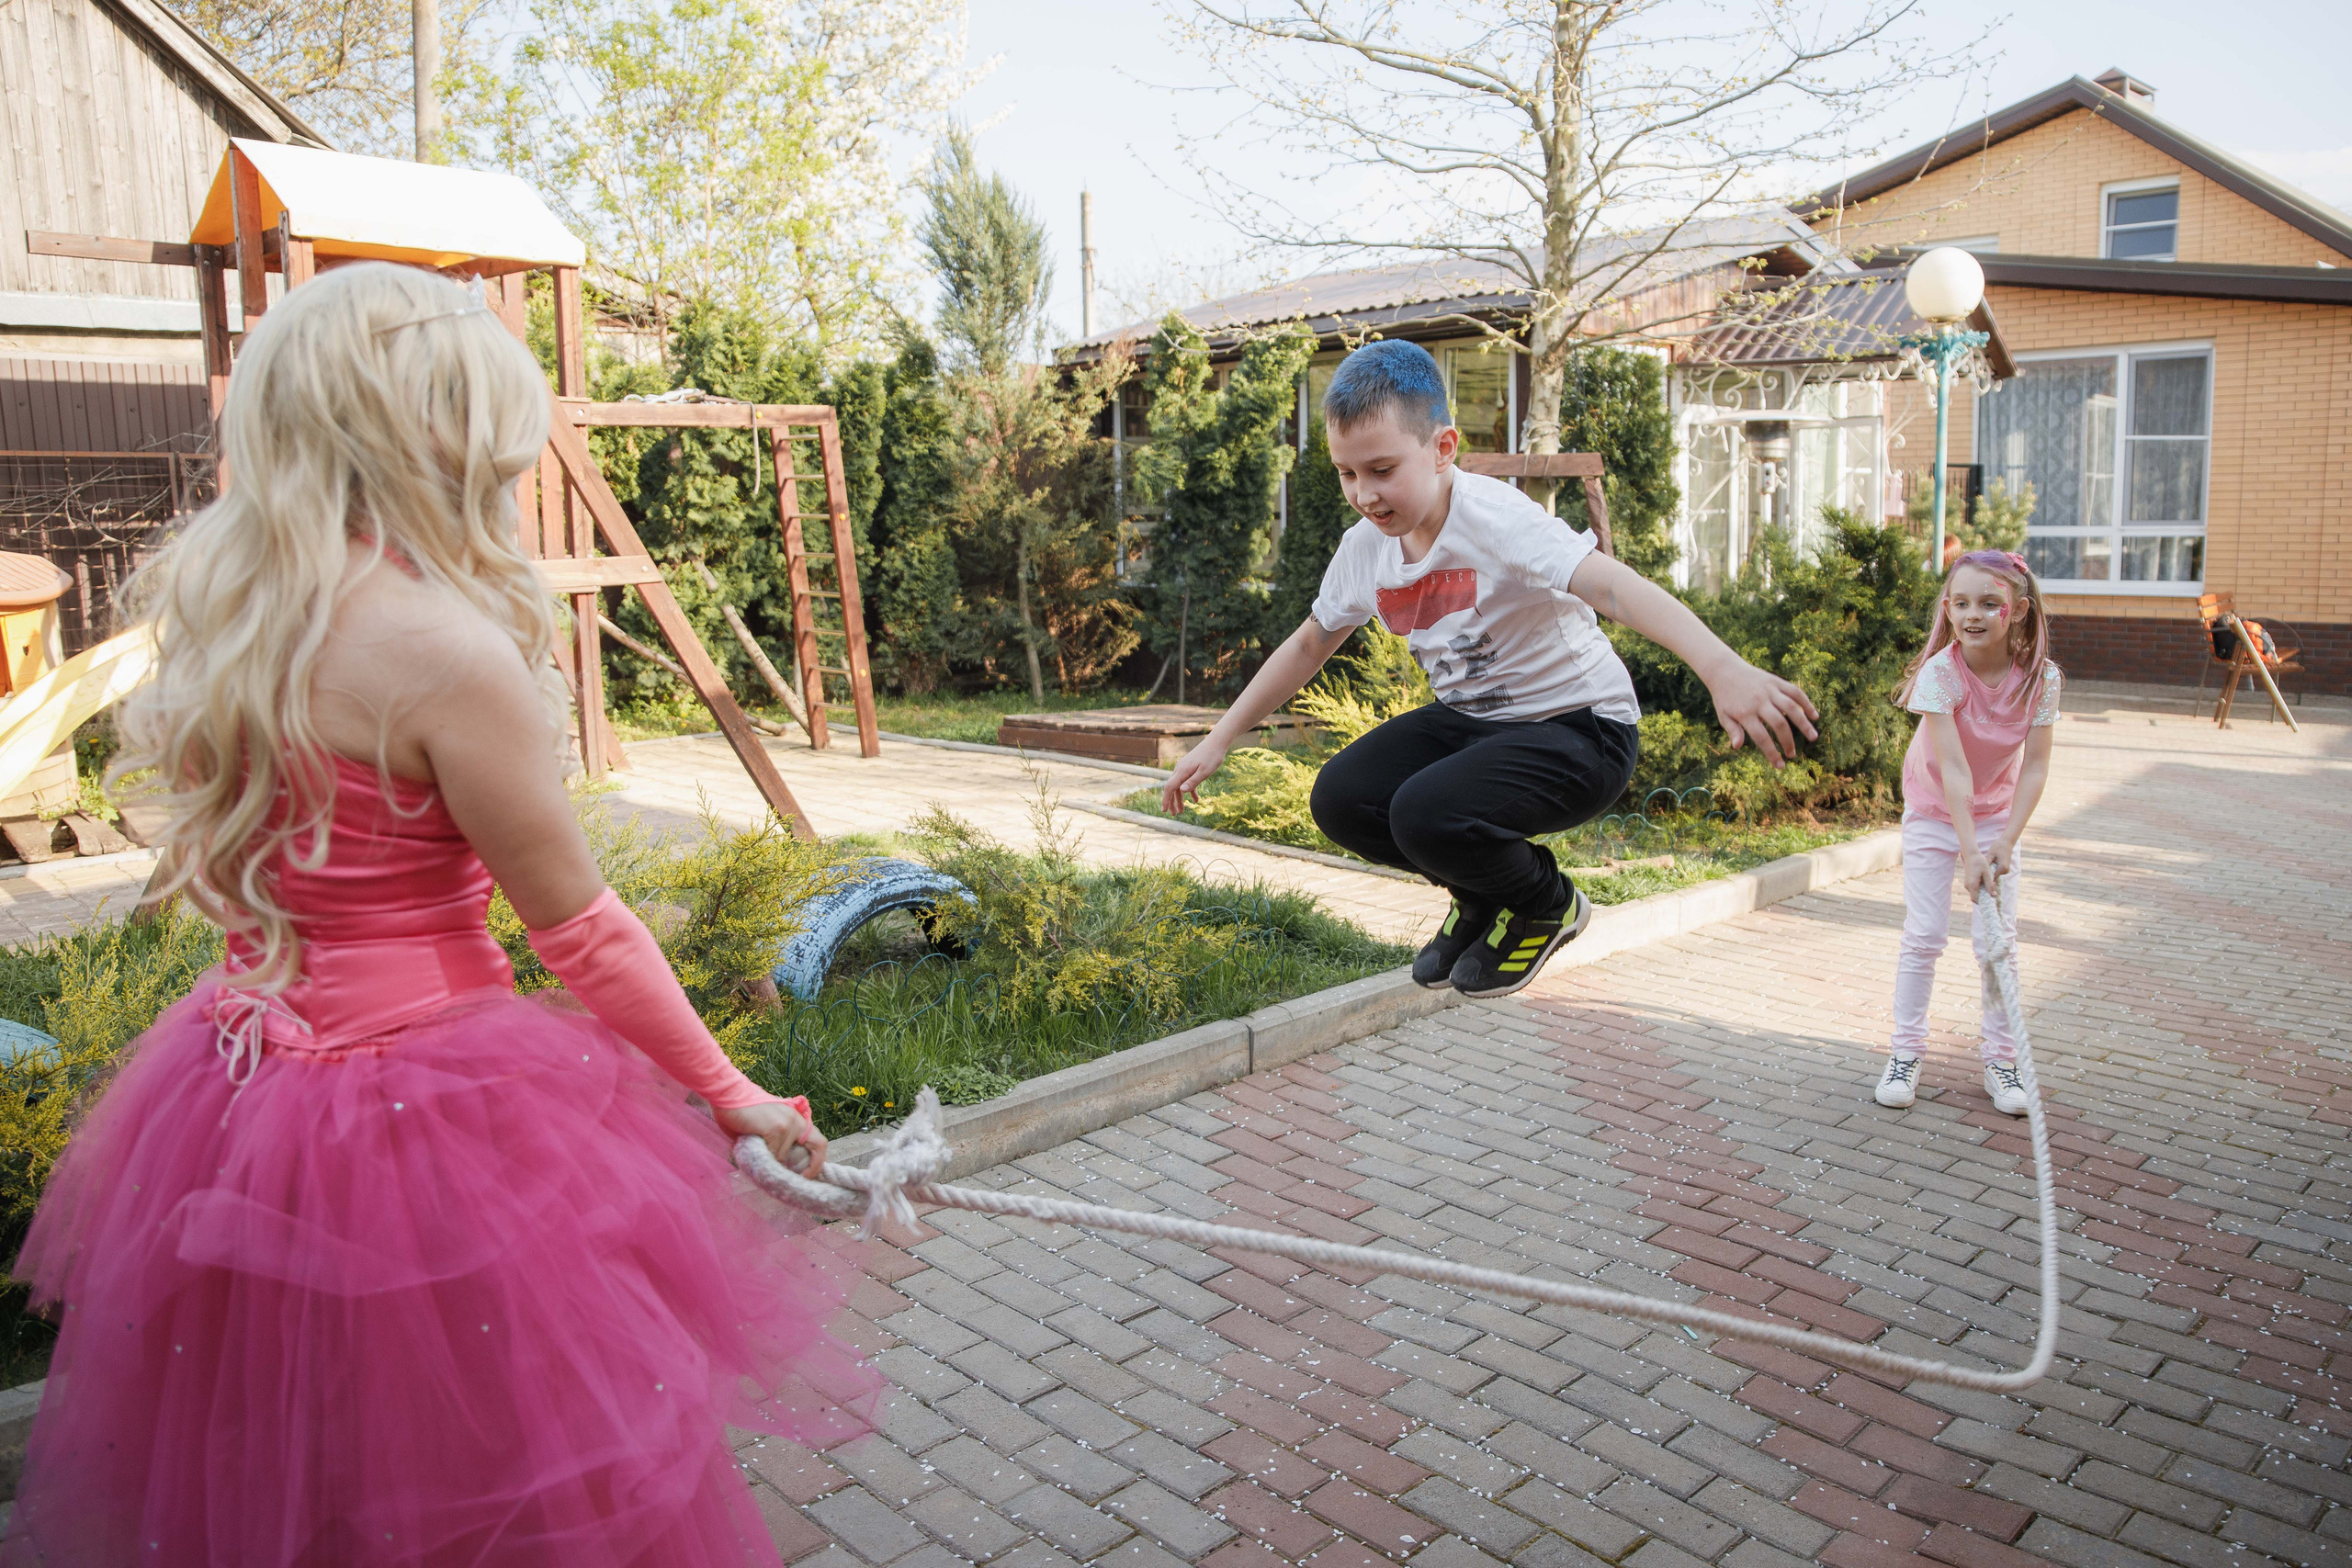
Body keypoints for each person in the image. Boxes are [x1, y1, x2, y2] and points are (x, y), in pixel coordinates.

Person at [3, 265, 867, 1567]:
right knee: (491, 1473)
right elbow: (581, 933)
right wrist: (728, 1086)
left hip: (232, 1103)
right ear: (438, 438)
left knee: (291, 1463)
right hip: (420, 1125)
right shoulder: (442, 653)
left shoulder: (228, 630)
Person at [1162, 340, 1818, 998]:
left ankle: (1546, 901)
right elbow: (1309, 643)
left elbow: (1612, 587)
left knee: (1423, 810)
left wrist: (1722, 668)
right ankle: (1480, 899)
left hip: (1582, 730)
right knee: (1343, 799)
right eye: (1347, 473)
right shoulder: (1366, 550)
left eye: (1383, 469)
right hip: (1476, 722)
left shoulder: (1497, 518)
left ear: (1443, 448)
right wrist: (1221, 736)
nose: (1365, 494)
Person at [1875, 549, 2061, 1116]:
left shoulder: (2042, 679)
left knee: (1996, 943)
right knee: (1925, 935)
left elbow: (2035, 767)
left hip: (1999, 816)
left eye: (1989, 603)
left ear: (2019, 611)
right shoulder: (1940, 674)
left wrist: (2001, 844)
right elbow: (1954, 774)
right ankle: (1905, 1054)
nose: (1972, 614)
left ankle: (2002, 1061)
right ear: (1947, 610)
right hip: (1936, 809)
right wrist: (1970, 850)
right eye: (1960, 603)